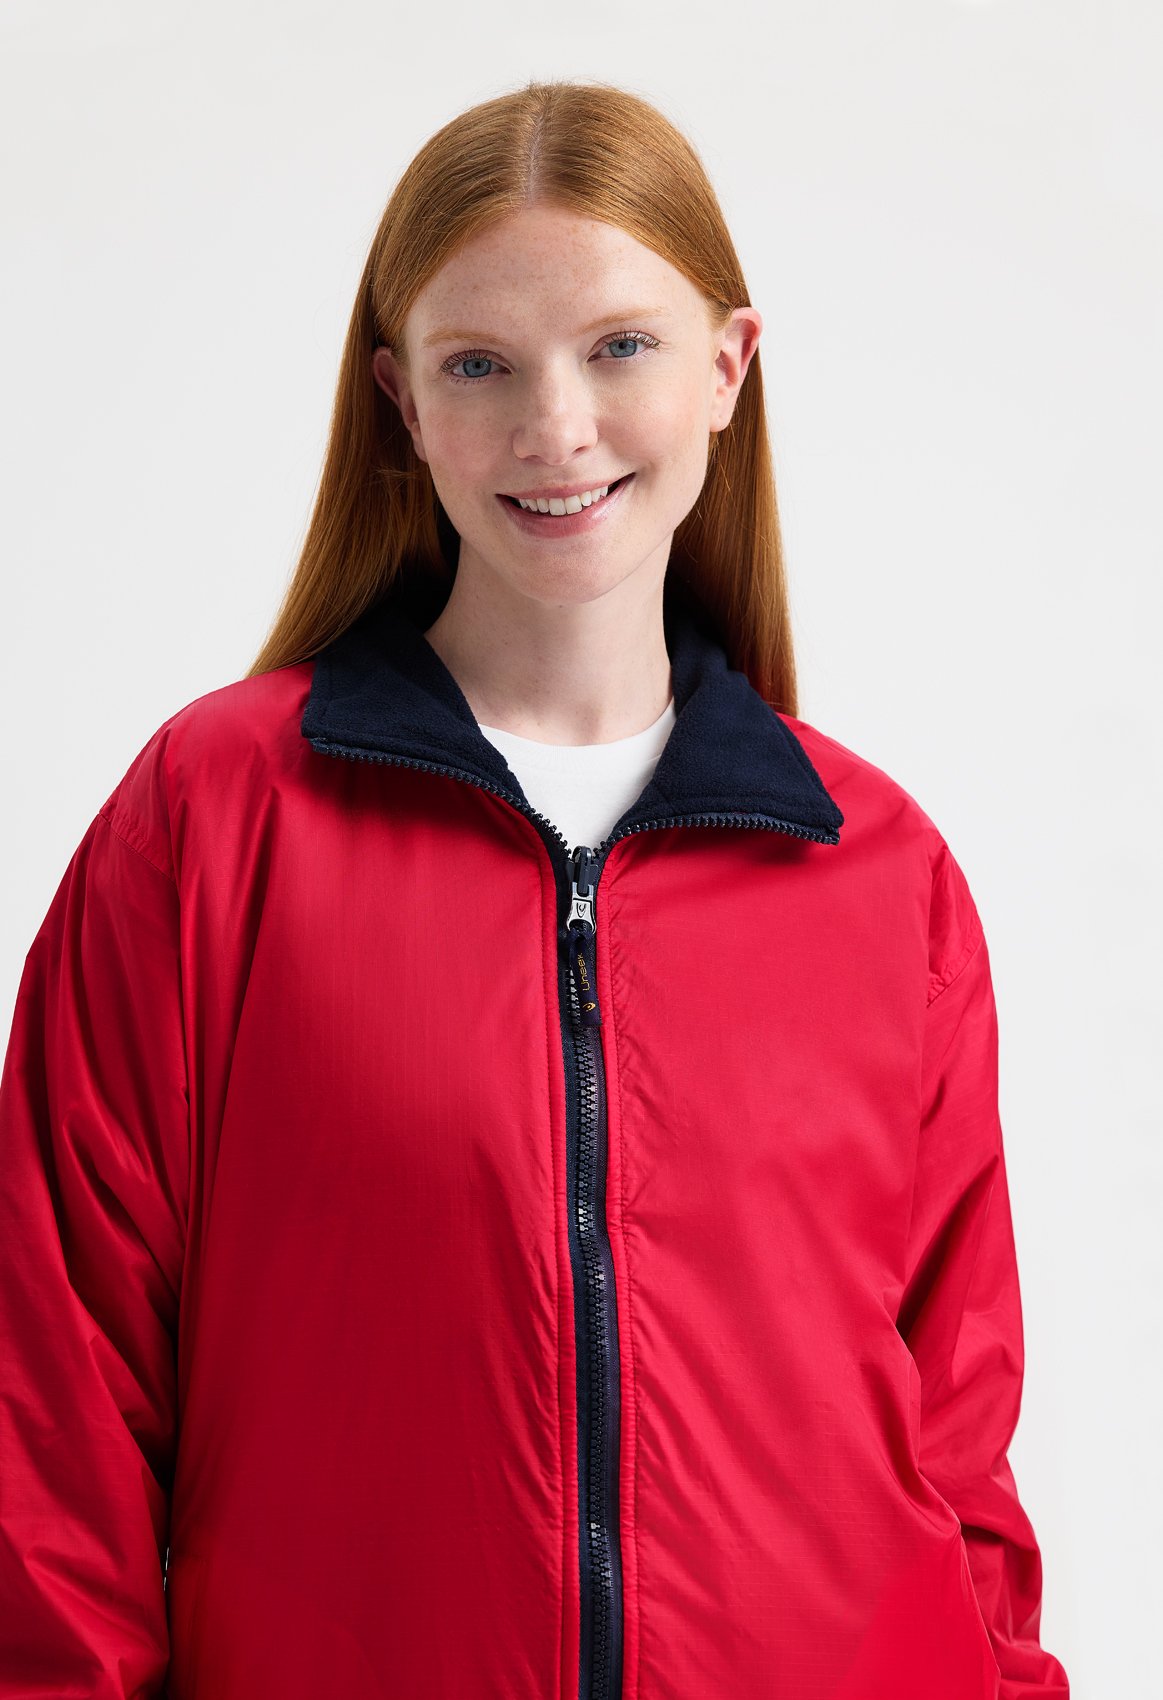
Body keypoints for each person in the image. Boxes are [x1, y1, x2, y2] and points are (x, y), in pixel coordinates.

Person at [0, 78, 1069, 1700]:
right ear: (400, 403)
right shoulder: (210, 825)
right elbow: (49, 1407)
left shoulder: (879, 868)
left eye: (621, 346)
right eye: (479, 364)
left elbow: (962, 1458)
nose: (555, 428)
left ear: (729, 366)